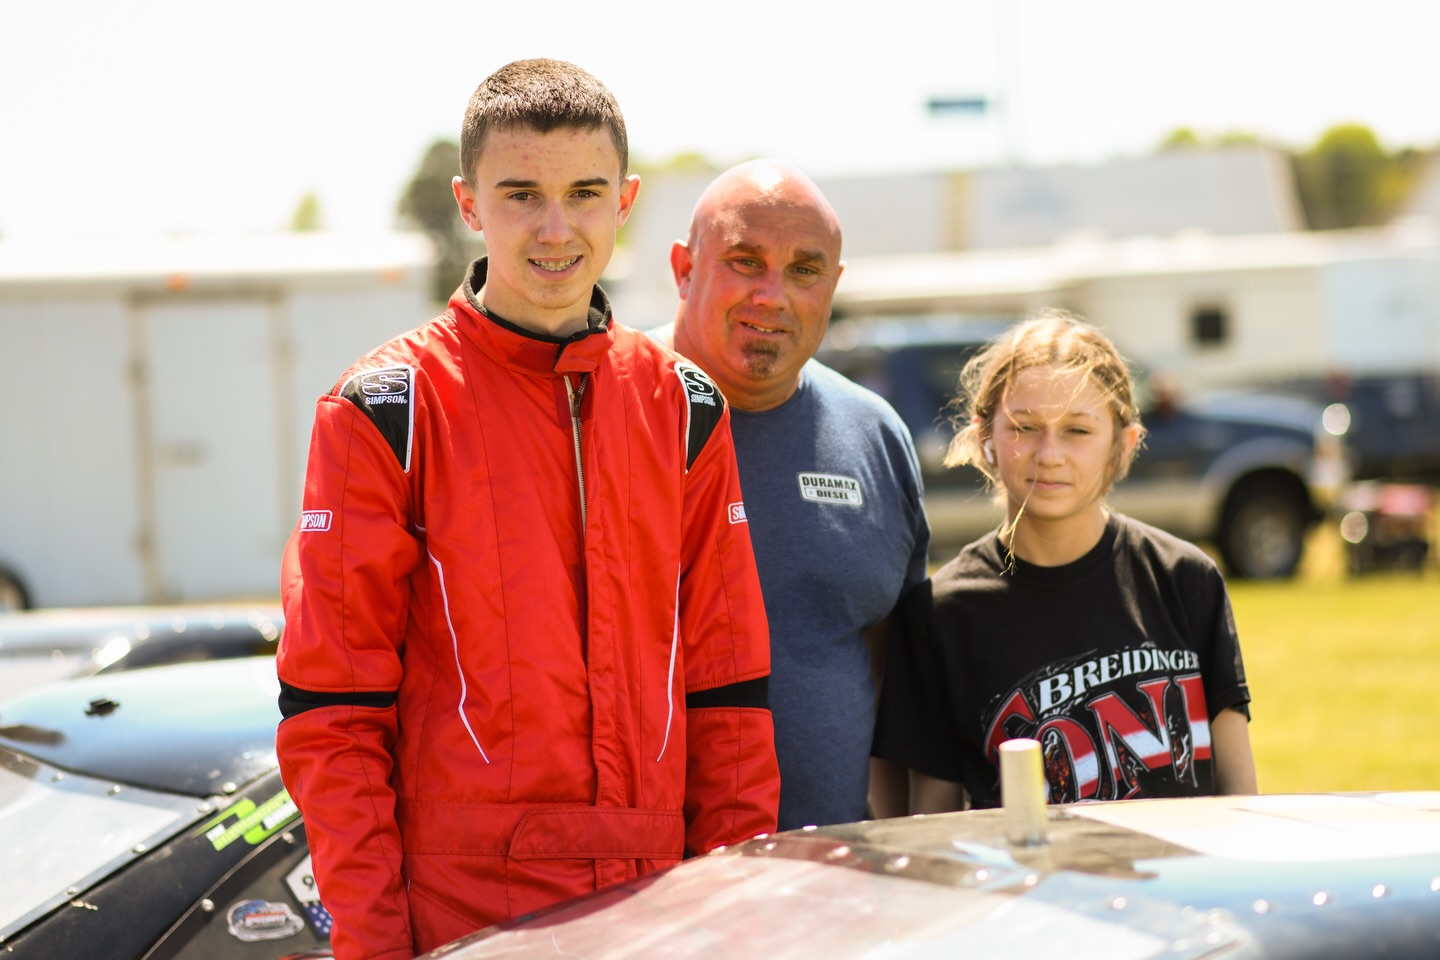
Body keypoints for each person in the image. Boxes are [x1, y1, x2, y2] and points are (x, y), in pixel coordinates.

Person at [275, 60, 779, 960]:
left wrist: (730, 922)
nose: (557, 228)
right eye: (522, 195)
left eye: (585, 193)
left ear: (624, 202)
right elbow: (331, 717)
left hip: (661, 914)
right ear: (470, 204)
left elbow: (729, 697)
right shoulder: (385, 407)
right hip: (465, 922)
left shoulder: (685, 406)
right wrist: (375, 948)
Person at [873, 310, 1257, 811]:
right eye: (1024, 427)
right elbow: (933, 821)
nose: (1049, 453)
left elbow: (1241, 800)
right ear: (985, 435)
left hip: (1175, 887)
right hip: (1030, 890)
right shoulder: (941, 613)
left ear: (1124, 444)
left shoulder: (1185, 579)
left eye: (1077, 430)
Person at [655, 160, 931, 831]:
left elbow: (896, 681)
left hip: (832, 885)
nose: (772, 295)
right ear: (684, 269)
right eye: (745, 262)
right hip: (647, 900)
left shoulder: (874, 436)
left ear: (833, 287)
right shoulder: (604, 412)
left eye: (804, 270)